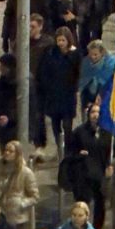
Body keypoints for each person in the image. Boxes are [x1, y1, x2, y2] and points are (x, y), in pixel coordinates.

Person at [36, 27, 80, 158]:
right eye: (58, 40)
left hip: (68, 96)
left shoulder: (75, 55)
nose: (60, 43)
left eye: (63, 40)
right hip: (54, 95)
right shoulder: (50, 53)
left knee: (67, 126)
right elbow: (43, 71)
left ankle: (67, 150)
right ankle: (59, 147)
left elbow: (78, 73)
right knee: (55, 125)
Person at [0, 140, 39, 228]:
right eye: (6, 150)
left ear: (17, 153)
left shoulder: (26, 173)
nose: (7, 153)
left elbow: (35, 196)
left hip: (17, 218)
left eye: (11, 151)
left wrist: (21, 203)